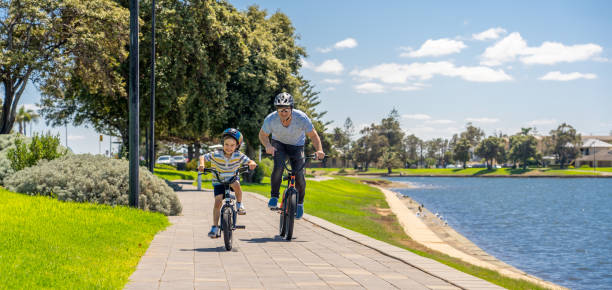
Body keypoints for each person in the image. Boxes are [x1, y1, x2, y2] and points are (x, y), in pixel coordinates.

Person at [258, 92, 325, 220]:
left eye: (286, 110)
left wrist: (319, 150)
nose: (283, 113)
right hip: (279, 144)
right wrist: (267, 145)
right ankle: (274, 196)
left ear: (291, 109)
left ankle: (299, 203)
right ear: (277, 109)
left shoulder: (301, 118)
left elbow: (313, 135)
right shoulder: (271, 119)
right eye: (280, 110)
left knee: (299, 175)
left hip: (297, 146)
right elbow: (262, 135)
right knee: (278, 167)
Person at [199, 128, 257, 238]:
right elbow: (203, 157)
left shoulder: (238, 155)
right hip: (219, 181)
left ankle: (239, 204)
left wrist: (252, 162)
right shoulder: (216, 154)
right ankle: (215, 227)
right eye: (226, 144)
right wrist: (202, 165)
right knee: (217, 202)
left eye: (232, 145)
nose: (229, 147)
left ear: (237, 146)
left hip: (232, 179)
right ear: (223, 144)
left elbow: (249, 161)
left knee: (237, 185)